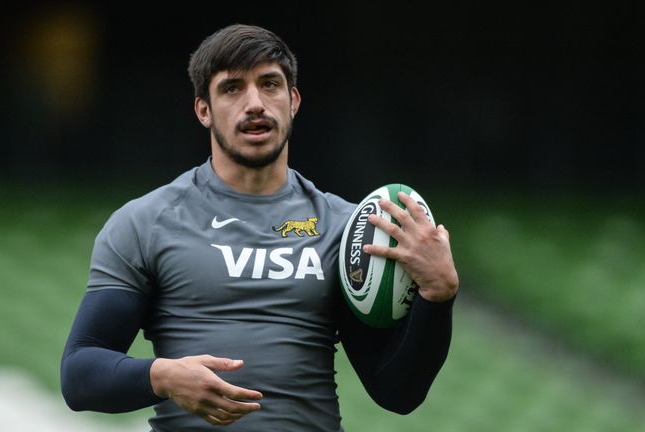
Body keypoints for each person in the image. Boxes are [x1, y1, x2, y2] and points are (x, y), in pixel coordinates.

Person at [60, 23, 459, 431]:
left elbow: (397, 393)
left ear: (293, 101)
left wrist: (437, 296)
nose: (255, 103)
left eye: (269, 84)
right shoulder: (146, 222)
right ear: (203, 110)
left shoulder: (346, 228)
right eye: (232, 88)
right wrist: (161, 376)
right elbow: (79, 373)